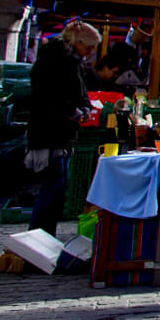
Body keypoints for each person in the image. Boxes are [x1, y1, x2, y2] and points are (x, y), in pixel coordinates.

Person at [27, 21, 100, 234]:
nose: (90, 52)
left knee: (56, 188)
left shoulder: (70, 61)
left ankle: (42, 237)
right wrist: (73, 110)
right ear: (77, 43)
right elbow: (49, 97)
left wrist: (84, 106)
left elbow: (77, 92)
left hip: (60, 134)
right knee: (52, 187)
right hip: (49, 133)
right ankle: (37, 237)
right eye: (89, 47)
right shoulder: (55, 60)